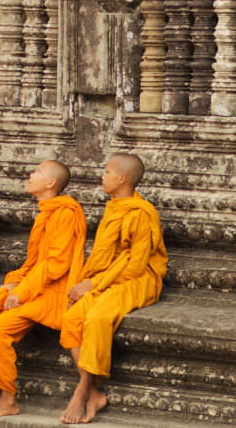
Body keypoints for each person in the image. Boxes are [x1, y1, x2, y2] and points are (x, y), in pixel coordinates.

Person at [0, 160, 86, 420]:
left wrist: (21, 293)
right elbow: (35, 261)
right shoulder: (47, 210)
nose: (30, 174)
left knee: (0, 328)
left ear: (50, 183)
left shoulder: (66, 212)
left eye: (36, 172)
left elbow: (57, 264)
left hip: (55, 291)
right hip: (37, 285)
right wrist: (13, 281)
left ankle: (9, 400)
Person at [59, 153, 167, 424]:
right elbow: (105, 254)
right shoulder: (115, 205)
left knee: (97, 318)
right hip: (108, 276)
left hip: (139, 279)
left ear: (122, 178)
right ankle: (94, 391)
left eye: (107, 172)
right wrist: (89, 279)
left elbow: (135, 266)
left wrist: (93, 284)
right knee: (72, 318)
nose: (102, 177)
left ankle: (82, 390)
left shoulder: (142, 214)